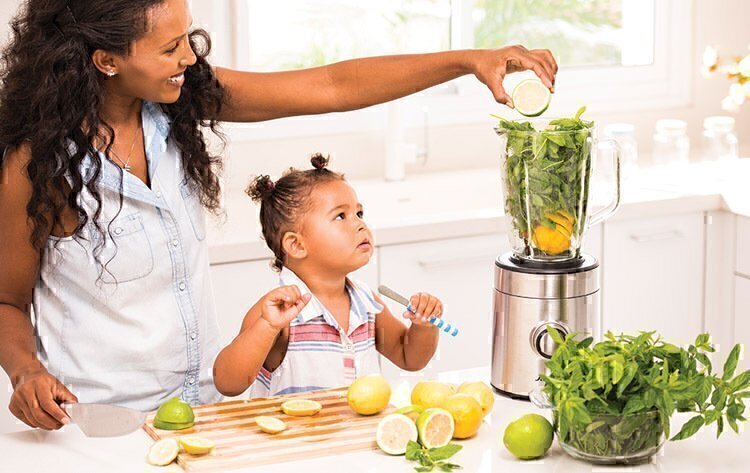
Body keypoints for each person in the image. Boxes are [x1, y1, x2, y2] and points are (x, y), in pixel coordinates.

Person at [0, 0, 558, 430]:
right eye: (170, 48)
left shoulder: (178, 104)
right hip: (99, 425)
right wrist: (26, 372)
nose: (190, 59)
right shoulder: (38, 165)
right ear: (107, 60)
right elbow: (7, 300)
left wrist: (467, 60)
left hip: (206, 411)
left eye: (188, 39)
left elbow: (332, 86)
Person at [213, 155, 443, 397]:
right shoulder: (278, 313)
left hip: (356, 435)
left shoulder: (366, 303)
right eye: (340, 216)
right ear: (296, 245)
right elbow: (228, 383)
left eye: (359, 214)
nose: (360, 225)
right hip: (296, 435)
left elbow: (410, 358)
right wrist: (267, 326)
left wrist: (423, 327)